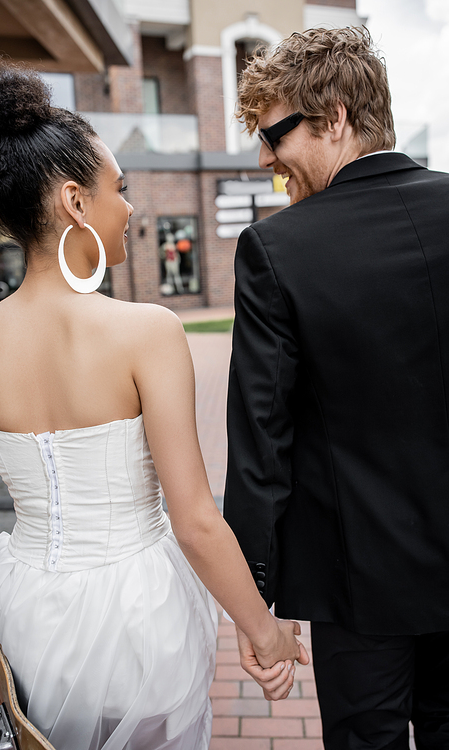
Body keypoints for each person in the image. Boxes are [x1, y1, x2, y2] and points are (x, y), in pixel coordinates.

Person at [0, 65, 308, 750]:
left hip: (26, 610)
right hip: (139, 615)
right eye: (122, 190)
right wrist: (264, 632)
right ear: (75, 202)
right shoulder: (148, 331)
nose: (132, 209)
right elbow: (197, 520)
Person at [224, 26, 449, 750]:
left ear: (337, 118)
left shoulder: (277, 248)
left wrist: (259, 601)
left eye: (274, 134)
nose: (265, 159)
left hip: (357, 584)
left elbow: (260, 442)